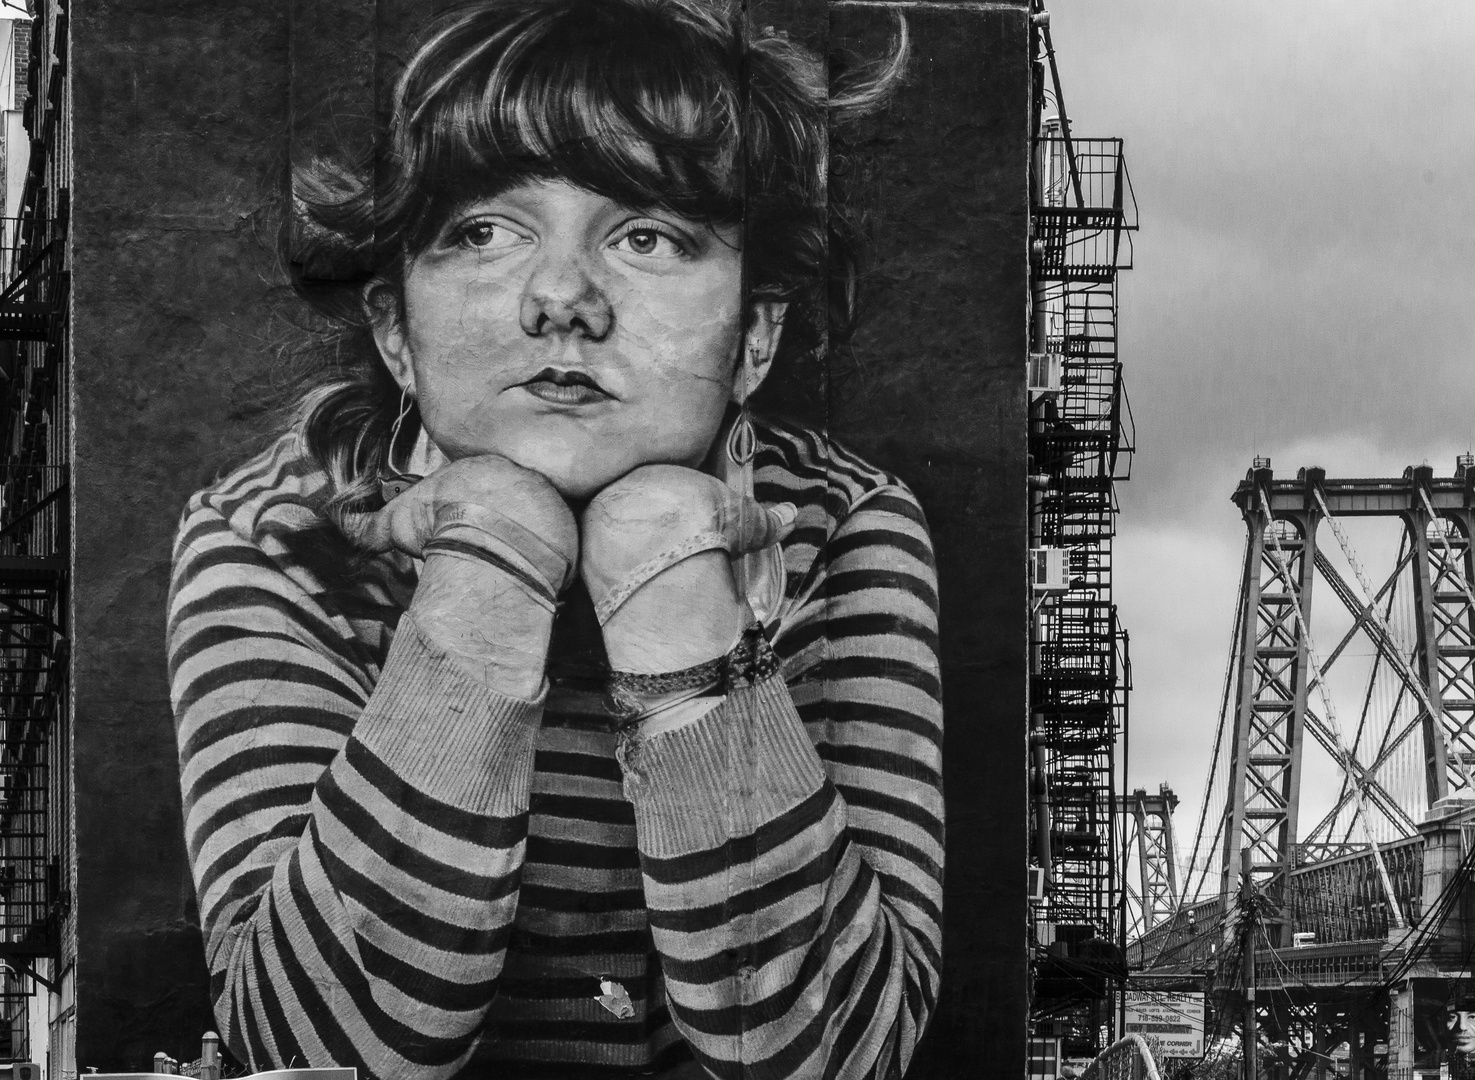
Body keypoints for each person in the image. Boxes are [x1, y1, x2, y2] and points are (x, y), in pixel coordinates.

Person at [165, 2, 941, 1077]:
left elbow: (834, 1058)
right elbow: (318, 1050)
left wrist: (668, 593)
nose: (562, 299)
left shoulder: (843, 528)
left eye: (647, 236)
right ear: (394, 327)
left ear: (753, 337)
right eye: (485, 231)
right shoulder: (275, 536)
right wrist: (490, 564)